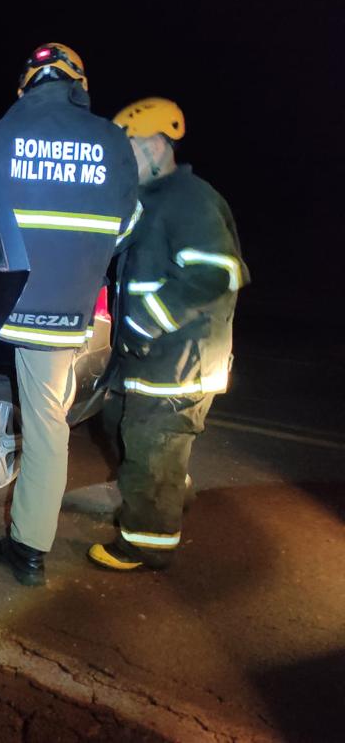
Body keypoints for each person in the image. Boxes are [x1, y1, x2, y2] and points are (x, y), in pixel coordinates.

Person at [0, 43, 139, 586]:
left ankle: (25, 548)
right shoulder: (113, 142)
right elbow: (128, 226)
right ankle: (27, 549)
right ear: (78, 84)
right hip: (63, 317)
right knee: (48, 429)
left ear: (26, 86)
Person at [88, 98, 249, 572]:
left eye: (129, 150)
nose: (123, 161)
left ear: (158, 145)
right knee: (125, 430)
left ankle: (146, 543)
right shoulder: (149, 200)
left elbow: (214, 274)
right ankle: (166, 494)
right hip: (147, 357)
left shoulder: (191, 199)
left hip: (179, 359)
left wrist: (144, 323)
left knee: (151, 446)